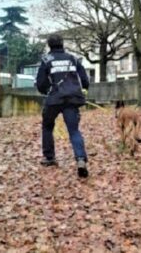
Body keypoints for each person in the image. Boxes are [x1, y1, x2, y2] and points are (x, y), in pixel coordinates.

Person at [35, 34, 90, 178]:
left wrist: (46, 90)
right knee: (74, 130)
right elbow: (84, 78)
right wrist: (84, 88)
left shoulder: (46, 60)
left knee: (47, 126)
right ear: (62, 43)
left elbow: (40, 83)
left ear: (49, 45)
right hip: (72, 99)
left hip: (54, 98)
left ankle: (49, 157)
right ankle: (80, 159)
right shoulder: (73, 58)